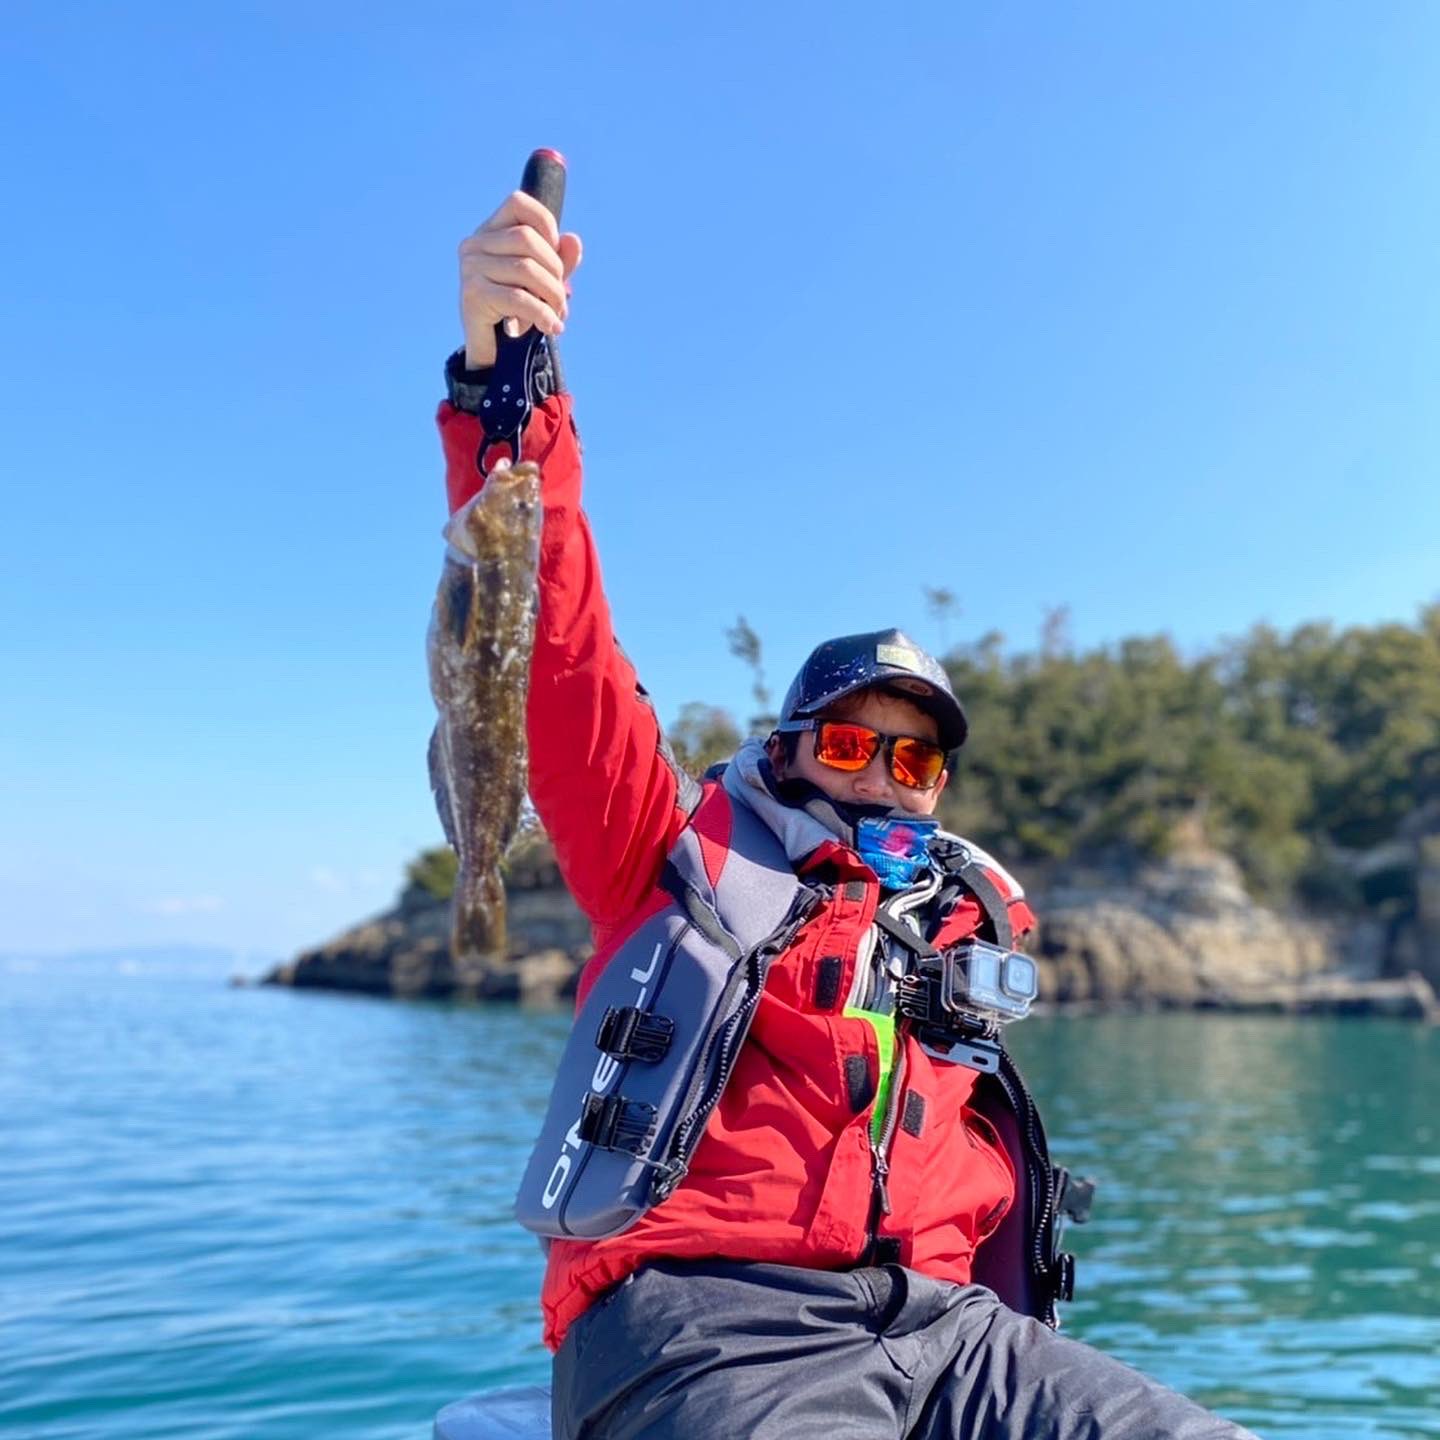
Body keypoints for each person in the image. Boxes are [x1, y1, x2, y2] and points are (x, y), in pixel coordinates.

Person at [438, 188, 1258, 1440]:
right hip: (704, 1328)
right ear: (787, 750)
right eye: (850, 743)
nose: (883, 776)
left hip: (953, 1333)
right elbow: (554, 644)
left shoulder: (955, 926)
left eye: (918, 761)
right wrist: (511, 385)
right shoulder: (667, 851)